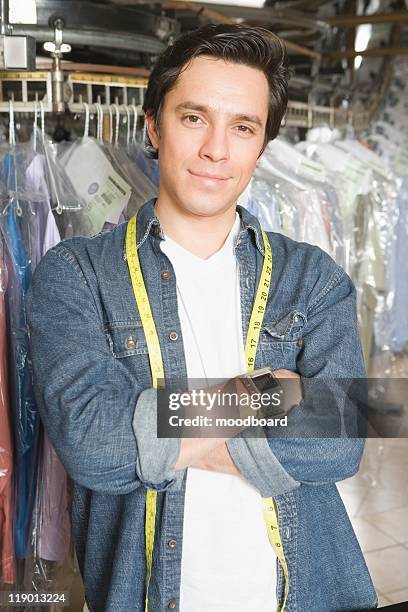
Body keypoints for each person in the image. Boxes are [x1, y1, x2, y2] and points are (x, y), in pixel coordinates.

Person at [26, 24, 378, 612]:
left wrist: (154, 429)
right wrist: (259, 397)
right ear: (153, 127)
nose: (218, 149)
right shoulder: (75, 274)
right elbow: (92, 443)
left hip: (307, 593)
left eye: (243, 127)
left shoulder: (312, 277)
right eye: (194, 118)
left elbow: (343, 443)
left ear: (261, 145)